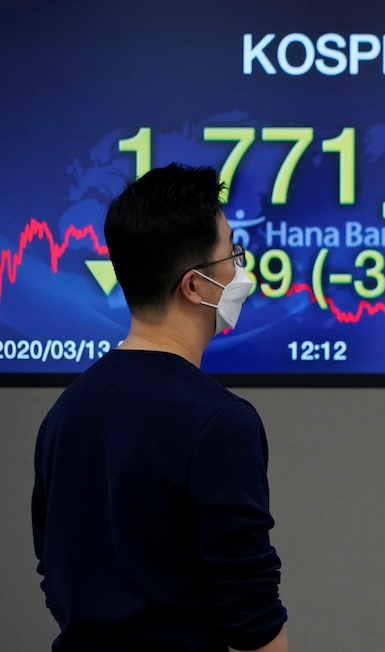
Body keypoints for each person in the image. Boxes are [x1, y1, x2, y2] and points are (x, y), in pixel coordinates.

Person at [31, 164, 288, 652]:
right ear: (194, 287)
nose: (240, 268)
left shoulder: (64, 414)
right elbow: (251, 615)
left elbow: (54, 566)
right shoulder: (221, 423)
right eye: (231, 252)